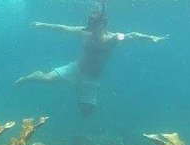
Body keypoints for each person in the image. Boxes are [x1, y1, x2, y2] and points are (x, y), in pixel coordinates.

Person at [15, 8, 167, 116]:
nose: (89, 26)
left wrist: (151, 38)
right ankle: (27, 78)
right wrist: (42, 25)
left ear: (102, 24)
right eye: (89, 22)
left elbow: (132, 35)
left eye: (93, 23)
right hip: (75, 69)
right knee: (45, 78)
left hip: (91, 79)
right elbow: (62, 28)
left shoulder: (113, 38)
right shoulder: (84, 32)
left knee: (86, 113)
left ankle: (79, 89)